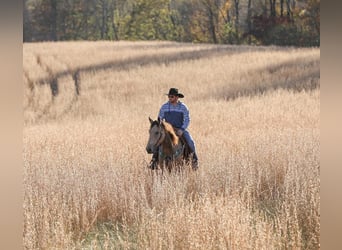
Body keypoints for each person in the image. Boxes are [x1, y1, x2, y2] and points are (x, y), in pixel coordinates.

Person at [149, 88, 199, 169]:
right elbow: (160, 118)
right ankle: (154, 161)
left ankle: (194, 161)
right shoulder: (164, 107)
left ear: (176, 97)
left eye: (171, 97)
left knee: (190, 142)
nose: (169, 98)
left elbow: (187, 119)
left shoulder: (183, 107)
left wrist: (182, 130)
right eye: (169, 96)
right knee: (157, 142)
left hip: (180, 129)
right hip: (167, 130)